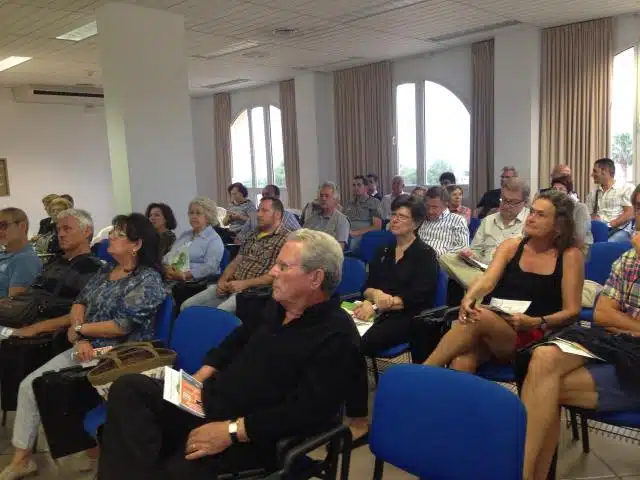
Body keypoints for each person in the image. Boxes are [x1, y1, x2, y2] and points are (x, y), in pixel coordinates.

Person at [96, 229, 359, 480]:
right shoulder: (276, 306)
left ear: (315, 278)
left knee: (171, 466)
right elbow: (235, 341)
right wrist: (200, 376)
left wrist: (232, 431)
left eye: (283, 266)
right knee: (129, 388)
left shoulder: (337, 334)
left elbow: (306, 411)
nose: (272, 272)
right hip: (211, 400)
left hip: (255, 433)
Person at [0, 213, 166, 480]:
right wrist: (81, 336)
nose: (110, 236)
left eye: (118, 234)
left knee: (57, 389)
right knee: (29, 385)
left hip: (120, 354)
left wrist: (79, 330)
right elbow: (80, 303)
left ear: (136, 244)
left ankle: (91, 451)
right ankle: (22, 460)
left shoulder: (147, 279)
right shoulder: (105, 271)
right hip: (87, 347)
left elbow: (121, 326)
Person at [520, 184, 640, 480]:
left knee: (542, 389)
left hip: (632, 362)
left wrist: (622, 321)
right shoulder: (630, 259)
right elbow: (602, 314)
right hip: (618, 347)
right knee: (543, 358)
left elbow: (611, 316)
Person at [423, 190, 583, 374]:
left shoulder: (570, 255)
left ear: (559, 225)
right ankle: (433, 386)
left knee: (479, 315)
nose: (531, 218)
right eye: (531, 212)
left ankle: (423, 372)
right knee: (462, 360)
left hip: (536, 331)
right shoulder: (511, 246)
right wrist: (469, 297)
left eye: (540, 215)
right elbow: (487, 280)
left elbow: (572, 311)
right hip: (497, 324)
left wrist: (537, 321)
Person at [355, 195, 439, 357]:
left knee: (361, 341)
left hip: (408, 316)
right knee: (340, 330)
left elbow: (417, 297)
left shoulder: (425, 254)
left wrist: (375, 306)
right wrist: (373, 295)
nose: (395, 220)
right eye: (394, 214)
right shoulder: (383, 250)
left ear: (416, 223)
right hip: (377, 309)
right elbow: (367, 286)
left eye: (402, 216)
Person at [181, 197, 289, 312]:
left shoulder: (286, 239)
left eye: (264, 211)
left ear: (277, 214)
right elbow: (237, 260)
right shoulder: (253, 234)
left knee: (216, 317)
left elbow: (276, 276)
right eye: (258, 210)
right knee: (187, 307)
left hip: (252, 292)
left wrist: (244, 284)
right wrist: (222, 280)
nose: (258, 214)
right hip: (230, 284)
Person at [14, 209, 103, 338]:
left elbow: (82, 313)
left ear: (86, 231)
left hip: (50, 333)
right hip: (26, 318)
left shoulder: (94, 268)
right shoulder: (54, 262)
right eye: (58, 229)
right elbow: (34, 293)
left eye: (67, 229)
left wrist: (36, 328)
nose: (60, 234)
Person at [440, 178, 530, 288]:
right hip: (482, 269)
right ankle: (486, 286)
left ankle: (483, 286)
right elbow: (476, 251)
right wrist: (469, 255)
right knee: (445, 258)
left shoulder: (530, 221)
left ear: (525, 202)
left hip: (510, 272)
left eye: (512, 202)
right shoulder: (488, 220)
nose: (506, 205)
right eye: (504, 200)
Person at [163, 197, 224, 308]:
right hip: (174, 279)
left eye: (198, 213)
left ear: (208, 216)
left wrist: (185, 275)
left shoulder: (214, 239)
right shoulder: (185, 235)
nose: (193, 216)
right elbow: (171, 254)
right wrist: (166, 267)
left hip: (197, 284)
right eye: (191, 213)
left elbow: (210, 267)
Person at [586, 157, 634, 243]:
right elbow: (587, 215)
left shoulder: (625, 188)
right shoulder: (593, 193)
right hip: (597, 229)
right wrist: (593, 219)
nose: (592, 174)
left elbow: (630, 213)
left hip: (618, 230)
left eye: (595, 171)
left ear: (604, 171)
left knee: (604, 245)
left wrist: (610, 224)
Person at [234, 185, 300, 244]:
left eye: (268, 194)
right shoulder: (254, 215)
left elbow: (301, 237)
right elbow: (239, 238)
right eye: (263, 195)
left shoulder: (287, 216)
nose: (264, 197)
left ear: (277, 197)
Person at [0, 208, 41, 299]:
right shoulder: (4, 255)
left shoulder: (25, 260)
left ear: (22, 226)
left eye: (3, 225)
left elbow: (13, 303)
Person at [417, 186, 469, 256]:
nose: (430, 211)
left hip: (441, 260)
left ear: (446, 204)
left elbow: (462, 247)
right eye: (427, 206)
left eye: (434, 207)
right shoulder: (422, 219)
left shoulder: (458, 220)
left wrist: (433, 253)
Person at [301, 182, 350, 248]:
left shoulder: (342, 220)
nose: (323, 199)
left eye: (327, 196)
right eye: (321, 196)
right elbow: (301, 237)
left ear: (335, 200)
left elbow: (339, 249)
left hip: (326, 253)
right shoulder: (312, 218)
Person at [551, 175, 592, 248]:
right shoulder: (551, 207)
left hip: (580, 246)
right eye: (554, 189)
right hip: (558, 244)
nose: (556, 192)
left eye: (561, 189)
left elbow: (579, 238)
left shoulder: (580, 208)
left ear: (569, 193)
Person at [344, 175, 382, 251]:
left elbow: (377, 227)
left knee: (352, 243)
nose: (356, 188)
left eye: (359, 185)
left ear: (366, 187)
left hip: (363, 236)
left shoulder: (374, 202)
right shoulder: (348, 203)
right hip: (347, 234)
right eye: (354, 185)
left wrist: (355, 233)